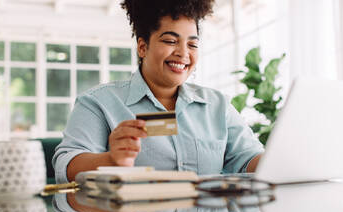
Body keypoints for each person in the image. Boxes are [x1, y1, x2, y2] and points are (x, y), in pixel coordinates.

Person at [53, 0, 263, 185]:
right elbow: (66, 165)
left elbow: (248, 159)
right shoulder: (98, 103)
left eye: (192, 44)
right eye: (170, 41)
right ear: (143, 47)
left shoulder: (218, 105)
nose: (183, 53)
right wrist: (111, 160)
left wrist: (282, 158)